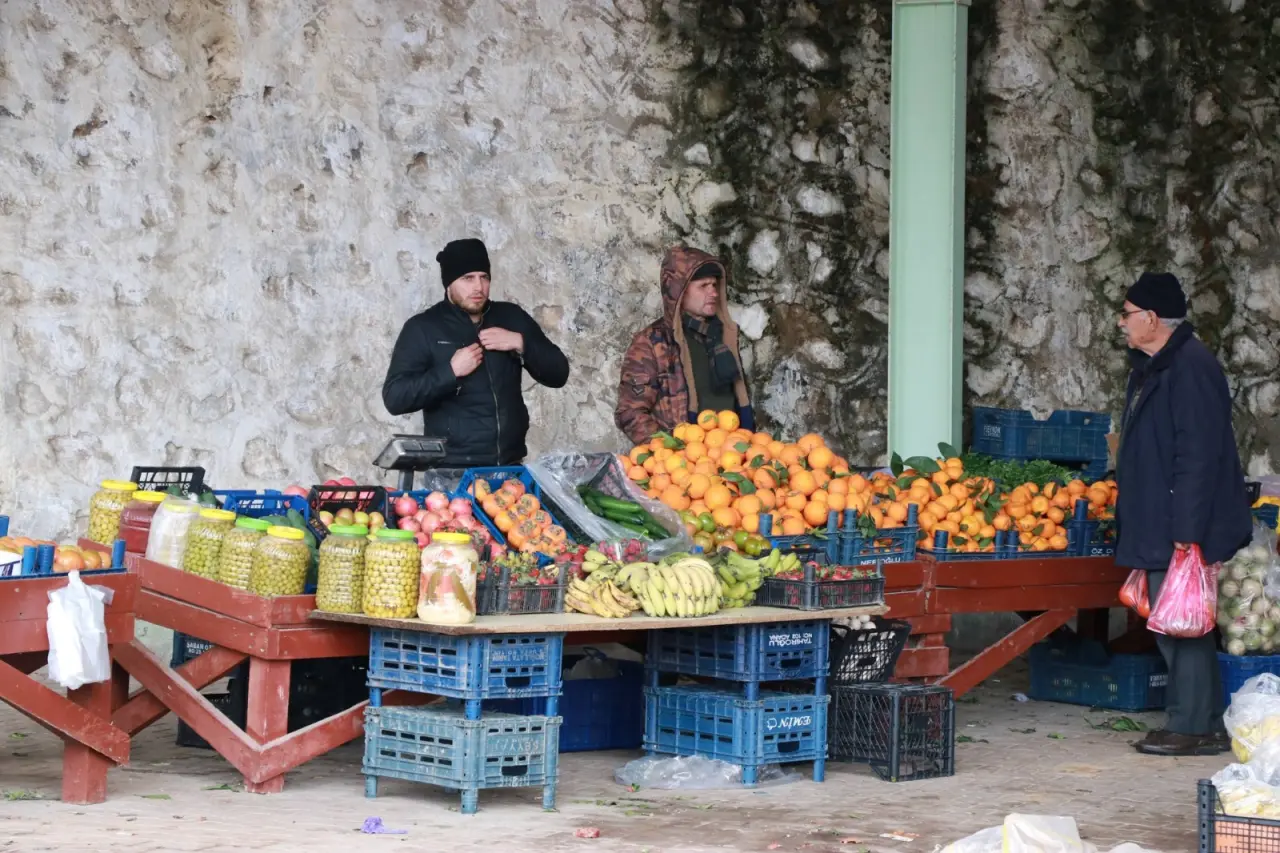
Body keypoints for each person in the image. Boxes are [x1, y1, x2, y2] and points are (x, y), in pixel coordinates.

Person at [1114, 271, 1252, 757]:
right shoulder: (1153, 366)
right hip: (1159, 515)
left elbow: (1198, 454)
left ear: (1151, 319)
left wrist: (1186, 531)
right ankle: (1203, 721)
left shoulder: (1190, 367)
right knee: (1176, 620)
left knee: (1181, 625)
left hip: (1178, 522)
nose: (1121, 323)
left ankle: (1192, 726)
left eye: (1127, 314)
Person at [382, 238, 570, 468]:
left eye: (484, 277)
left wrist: (521, 342)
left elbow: (559, 374)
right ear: (449, 283)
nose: (478, 287)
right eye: (467, 278)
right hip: (452, 471)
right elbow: (395, 398)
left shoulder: (511, 317)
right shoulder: (423, 328)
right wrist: (450, 372)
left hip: (510, 466)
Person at [614, 246, 755, 445]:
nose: (713, 292)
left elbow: (738, 400)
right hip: (684, 463)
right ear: (679, 291)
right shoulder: (651, 343)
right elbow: (630, 412)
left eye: (715, 285)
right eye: (703, 286)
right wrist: (670, 452)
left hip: (732, 455)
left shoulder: (724, 336)